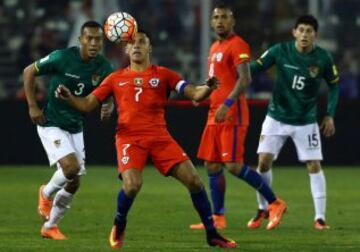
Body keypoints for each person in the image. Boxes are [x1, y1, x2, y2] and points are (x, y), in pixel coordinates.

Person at [55, 30, 237, 249]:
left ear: (150, 48)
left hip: (160, 137)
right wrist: (69, 97)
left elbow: (195, 94)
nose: (137, 45)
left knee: (195, 181)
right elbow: (86, 105)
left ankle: (212, 234)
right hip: (129, 138)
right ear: (127, 49)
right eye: (133, 43)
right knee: (132, 185)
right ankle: (119, 223)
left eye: (142, 42)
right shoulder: (115, 78)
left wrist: (207, 87)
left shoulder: (164, 75)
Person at [190, 3, 287, 231]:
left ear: (232, 21)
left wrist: (227, 103)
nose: (220, 21)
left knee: (233, 165)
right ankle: (218, 217)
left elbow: (245, 79)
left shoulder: (238, 44)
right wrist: (201, 94)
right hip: (214, 112)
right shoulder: (214, 47)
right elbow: (215, 80)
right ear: (211, 22)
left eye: (225, 17)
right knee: (212, 165)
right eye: (216, 17)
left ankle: (275, 203)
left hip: (232, 113)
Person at [23, 21, 114, 240]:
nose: (93, 43)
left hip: (76, 126)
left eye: (98, 39)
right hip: (51, 122)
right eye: (89, 38)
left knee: (74, 182)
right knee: (71, 168)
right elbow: (28, 72)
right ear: (80, 40)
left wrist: (107, 105)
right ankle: (45, 193)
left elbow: (109, 90)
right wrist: (33, 106)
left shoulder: (103, 66)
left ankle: (50, 227)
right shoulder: (62, 57)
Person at [248, 14, 339, 230]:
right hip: (276, 116)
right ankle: (263, 209)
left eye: (309, 31)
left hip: (305, 120)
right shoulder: (280, 51)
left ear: (315, 35)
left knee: (314, 165)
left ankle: (320, 218)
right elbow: (256, 67)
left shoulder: (323, 58)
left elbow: (334, 85)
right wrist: (235, 65)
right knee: (263, 162)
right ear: (294, 33)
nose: (305, 34)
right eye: (301, 30)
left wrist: (330, 114)